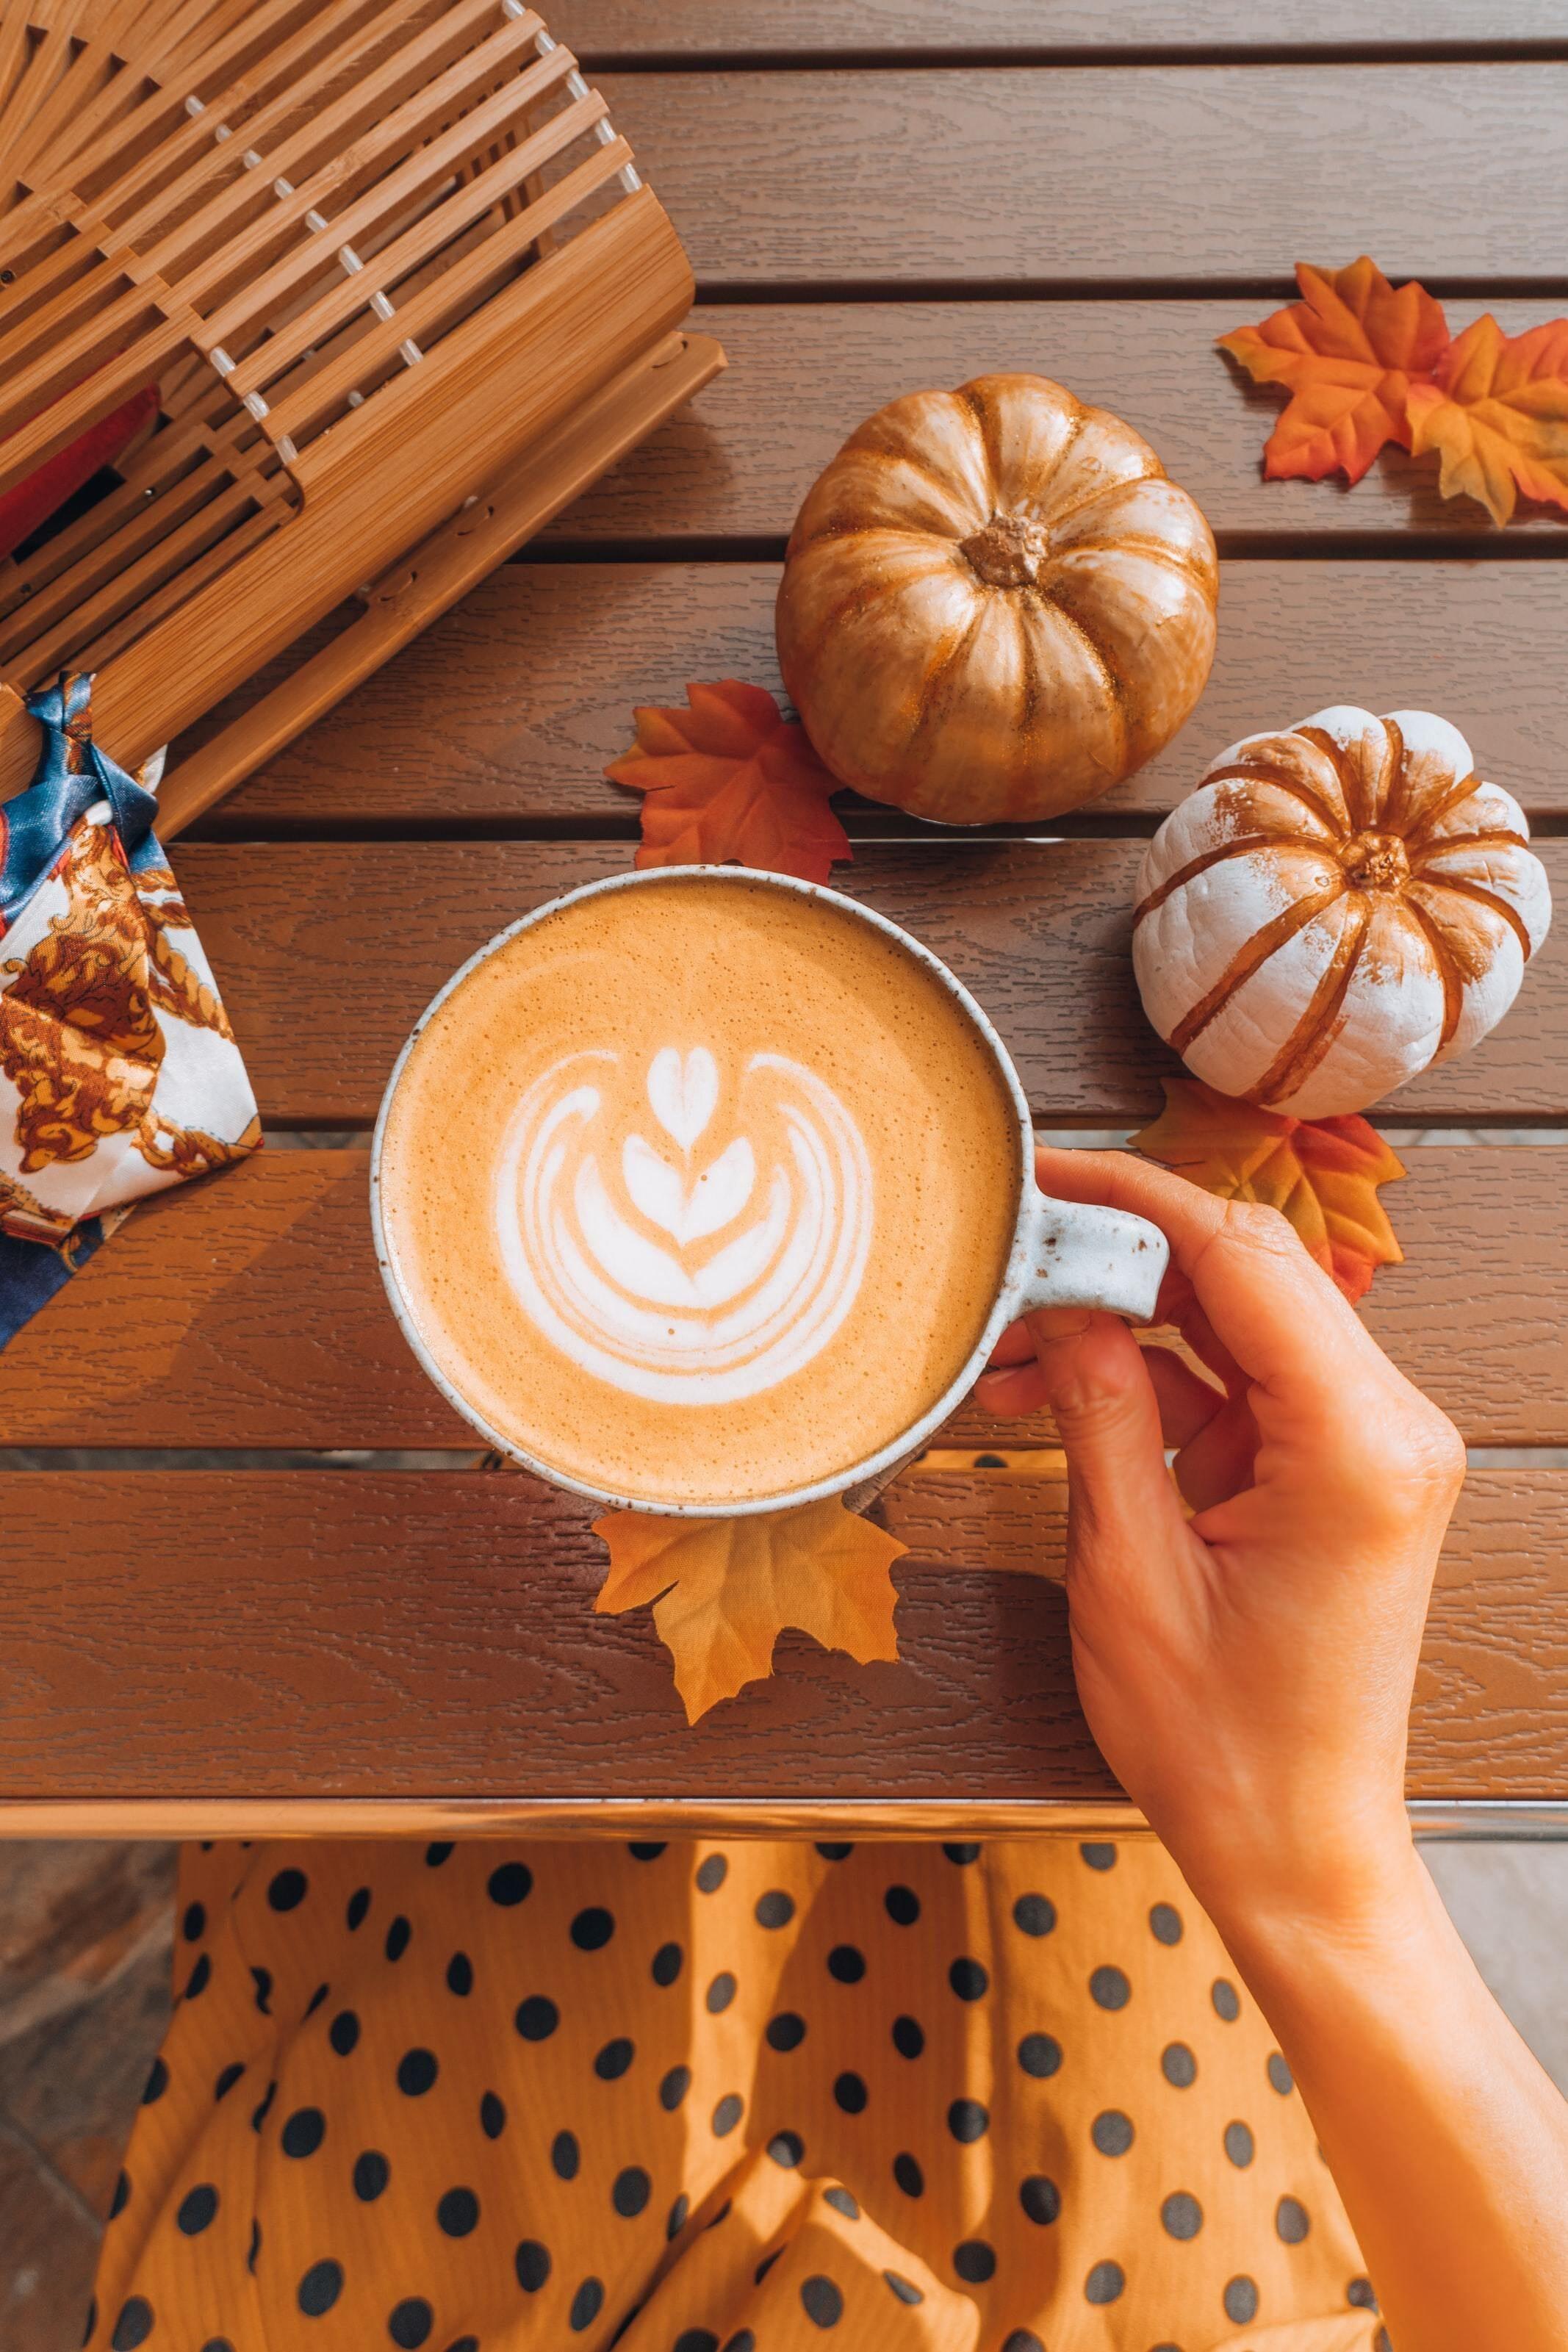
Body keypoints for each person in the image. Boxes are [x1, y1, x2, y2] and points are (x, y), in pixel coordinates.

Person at [87, 1152, 1568, 2352]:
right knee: (1084, 1861)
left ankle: (580, 1392)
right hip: (1166, 2263)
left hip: (442, 2252)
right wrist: (1319, 1880)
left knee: (457, 1755)